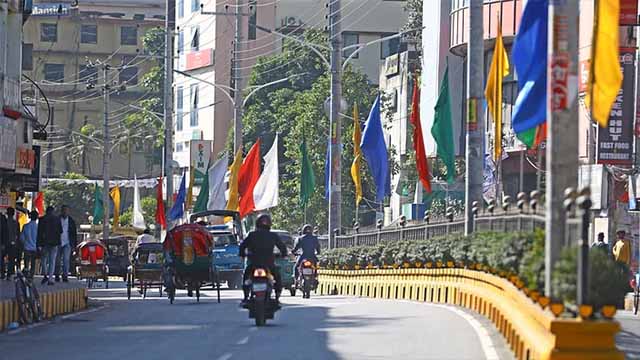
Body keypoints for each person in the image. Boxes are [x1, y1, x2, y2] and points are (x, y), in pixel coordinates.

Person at [238, 214, 287, 305]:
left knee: (246, 276)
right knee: (277, 277)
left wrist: (242, 254)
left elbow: (242, 246)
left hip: (254, 263)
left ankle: (245, 296)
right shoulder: (273, 235)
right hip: (269, 263)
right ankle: (277, 296)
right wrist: (283, 254)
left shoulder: (252, 235)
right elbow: (282, 247)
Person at [37, 206, 62, 285]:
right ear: (53, 211)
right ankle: (50, 278)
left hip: (44, 243)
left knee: (43, 260)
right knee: (52, 261)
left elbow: (39, 233)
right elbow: (60, 231)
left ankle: (45, 275)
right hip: (54, 243)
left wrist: (38, 244)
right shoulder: (57, 219)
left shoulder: (42, 219)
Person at [55, 205, 77, 282]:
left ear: (68, 212)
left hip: (67, 242)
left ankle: (65, 275)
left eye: (66, 210)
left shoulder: (71, 221)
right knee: (57, 260)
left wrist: (74, 246)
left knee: (66, 260)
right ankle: (57, 275)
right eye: (63, 210)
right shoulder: (57, 220)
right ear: (61, 211)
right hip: (58, 242)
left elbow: (74, 234)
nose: (65, 212)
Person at [20, 211, 39, 277]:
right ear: (37, 217)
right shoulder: (38, 227)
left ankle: (26, 274)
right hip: (34, 248)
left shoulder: (25, 226)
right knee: (33, 263)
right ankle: (31, 276)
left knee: (26, 263)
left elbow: (21, 238)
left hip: (27, 247)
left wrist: (25, 243)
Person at [4, 208, 20, 280]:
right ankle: (9, 275)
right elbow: (18, 234)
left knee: (2, 257)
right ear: (13, 214)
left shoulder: (4, 222)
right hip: (13, 243)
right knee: (11, 259)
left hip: (4, 243)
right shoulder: (16, 223)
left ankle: (2, 272)